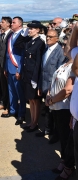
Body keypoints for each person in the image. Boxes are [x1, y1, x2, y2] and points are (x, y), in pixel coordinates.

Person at [46, 36, 74, 179]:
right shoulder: (64, 63)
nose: (63, 47)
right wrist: (49, 95)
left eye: (66, 45)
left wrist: (52, 100)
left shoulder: (73, 66)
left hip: (65, 107)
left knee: (66, 138)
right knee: (62, 137)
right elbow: (54, 81)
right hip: (56, 106)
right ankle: (64, 161)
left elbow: (67, 90)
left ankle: (67, 164)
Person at [41, 26, 67, 141]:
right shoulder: (46, 49)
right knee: (47, 110)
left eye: (50, 37)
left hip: (53, 87)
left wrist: (51, 89)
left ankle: (54, 134)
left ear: (57, 39)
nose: (47, 38)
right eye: (47, 36)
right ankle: (47, 129)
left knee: (54, 112)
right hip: (44, 84)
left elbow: (58, 71)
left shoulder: (60, 52)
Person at [3, 16, 29, 124]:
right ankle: (13, 110)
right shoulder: (10, 36)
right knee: (11, 92)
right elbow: (7, 54)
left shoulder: (23, 36)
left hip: (17, 68)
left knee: (20, 93)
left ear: (19, 24)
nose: (11, 24)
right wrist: (5, 67)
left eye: (13, 22)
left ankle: (21, 114)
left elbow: (22, 56)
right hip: (9, 68)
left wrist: (20, 70)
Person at [22, 21, 46, 132]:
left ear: (38, 30)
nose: (29, 30)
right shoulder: (29, 41)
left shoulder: (40, 43)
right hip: (27, 74)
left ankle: (35, 122)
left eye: (31, 29)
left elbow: (38, 62)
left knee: (36, 100)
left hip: (33, 76)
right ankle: (31, 121)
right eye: (29, 29)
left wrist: (35, 79)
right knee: (30, 99)